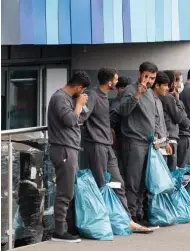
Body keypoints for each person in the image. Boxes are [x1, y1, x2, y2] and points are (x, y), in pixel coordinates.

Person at [80, 67, 152, 234]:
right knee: (101, 184)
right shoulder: (93, 95)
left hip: (107, 146)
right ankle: (102, 223)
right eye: (116, 79)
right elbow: (82, 116)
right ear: (110, 82)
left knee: (118, 183)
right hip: (96, 145)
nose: (119, 82)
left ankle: (127, 220)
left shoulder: (105, 96)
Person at [48, 71, 90, 242]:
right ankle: (59, 231)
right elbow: (70, 120)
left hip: (70, 148)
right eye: (83, 90)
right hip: (63, 149)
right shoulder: (59, 98)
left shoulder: (69, 99)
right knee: (65, 192)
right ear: (79, 87)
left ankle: (68, 226)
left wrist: (79, 105)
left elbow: (83, 116)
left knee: (70, 191)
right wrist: (78, 104)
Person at [119, 61, 158, 224]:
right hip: (134, 141)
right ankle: (132, 215)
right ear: (139, 74)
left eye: (152, 78)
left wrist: (156, 137)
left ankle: (140, 213)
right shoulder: (131, 89)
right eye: (146, 76)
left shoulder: (150, 93)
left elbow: (152, 118)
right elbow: (123, 110)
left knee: (143, 180)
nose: (149, 81)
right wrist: (137, 95)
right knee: (133, 181)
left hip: (148, 142)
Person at [159, 70, 188, 171]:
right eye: (176, 81)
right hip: (169, 138)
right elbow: (180, 118)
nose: (178, 85)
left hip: (163, 138)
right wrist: (178, 101)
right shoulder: (168, 98)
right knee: (171, 171)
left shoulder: (159, 97)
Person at [110, 76, 131, 158]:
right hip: (119, 142)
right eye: (123, 88)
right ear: (117, 89)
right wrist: (115, 144)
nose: (126, 91)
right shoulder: (116, 105)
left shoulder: (127, 103)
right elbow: (110, 127)